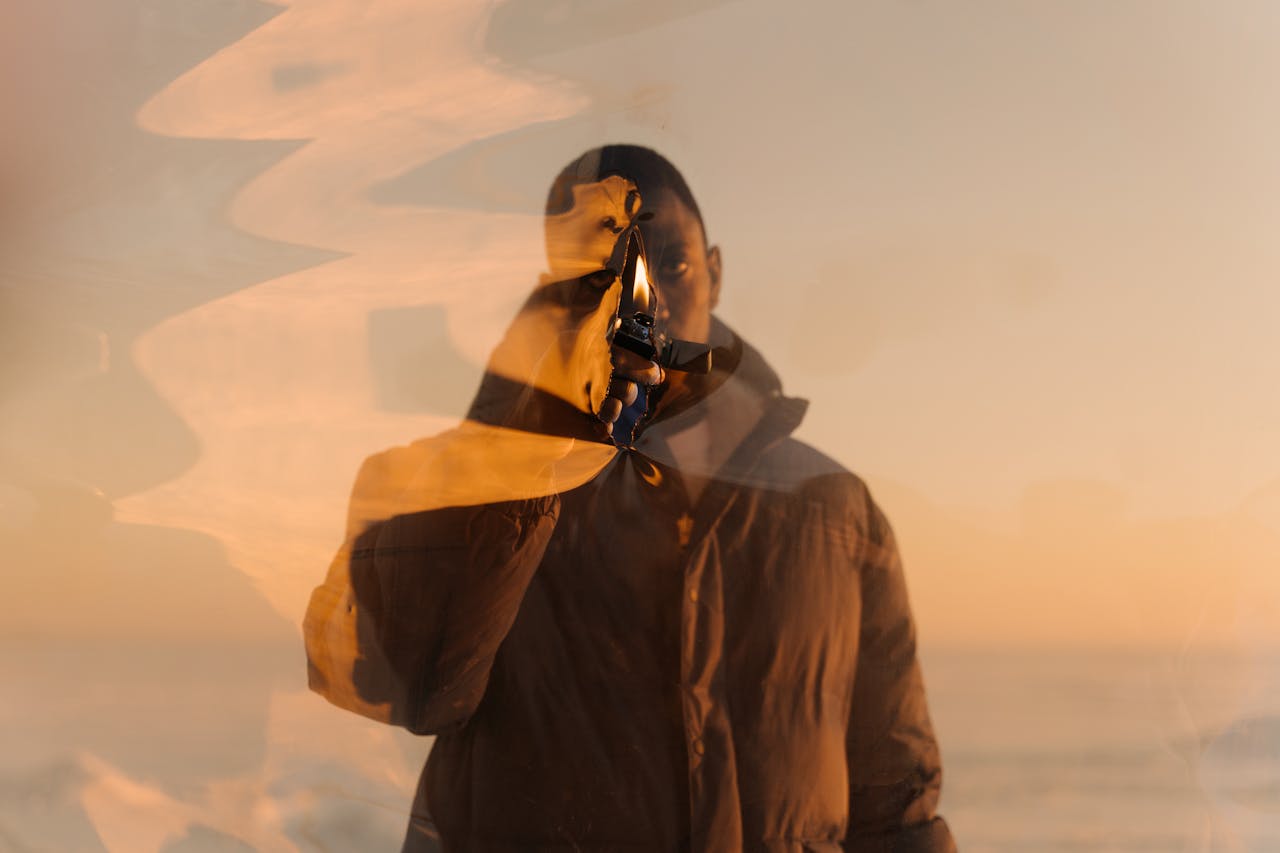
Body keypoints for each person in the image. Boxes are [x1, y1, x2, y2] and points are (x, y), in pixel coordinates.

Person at [304, 145, 956, 853]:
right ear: (557, 288)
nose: (643, 296)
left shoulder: (834, 507)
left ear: (716, 269)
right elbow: (407, 681)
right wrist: (534, 422)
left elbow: (897, 807)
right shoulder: (484, 477)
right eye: (602, 272)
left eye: (669, 262)